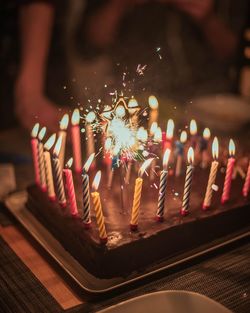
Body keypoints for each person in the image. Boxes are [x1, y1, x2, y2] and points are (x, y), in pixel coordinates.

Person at [14, 0, 248, 132]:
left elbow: (235, 54)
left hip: (215, 115)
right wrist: (121, 4)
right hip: (140, 112)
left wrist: (207, 19)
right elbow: (88, 44)